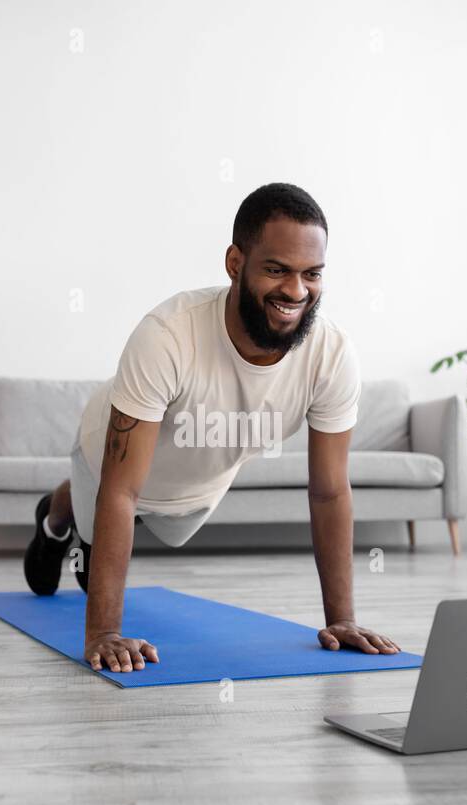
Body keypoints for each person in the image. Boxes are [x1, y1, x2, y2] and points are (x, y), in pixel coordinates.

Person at [23, 183, 400, 673]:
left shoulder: (331, 355)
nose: (296, 290)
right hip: (111, 465)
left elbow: (329, 492)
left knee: (142, 526)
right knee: (100, 511)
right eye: (276, 270)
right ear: (235, 263)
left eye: (312, 274)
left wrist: (343, 619)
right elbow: (120, 490)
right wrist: (104, 633)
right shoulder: (168, 335)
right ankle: (55, 518)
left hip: (196, 482)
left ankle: (84, 526)